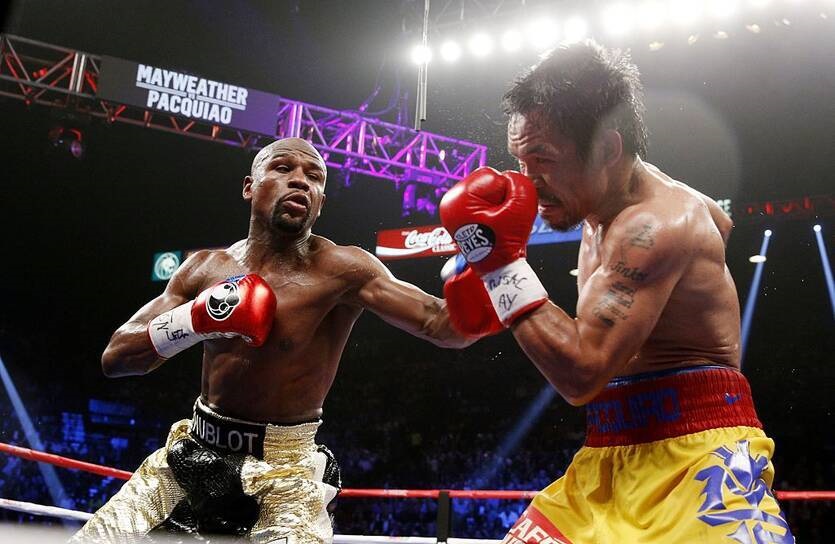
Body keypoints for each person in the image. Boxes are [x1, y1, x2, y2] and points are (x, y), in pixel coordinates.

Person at [439, 41, 794, 543]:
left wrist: (498, 266)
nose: (527, 181)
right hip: (608, 452)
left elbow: (581, 374)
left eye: (542, 159)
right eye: (519, 160)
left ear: (607, 149)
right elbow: (720, 220)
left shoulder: (654, 224)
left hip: (699, 461)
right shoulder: (615, 206)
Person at [71, 137, 472, 544]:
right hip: (190, 454)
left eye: (314, 176)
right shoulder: (204, 268)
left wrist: (493, 268)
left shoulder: (345, 269)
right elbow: (116, 357)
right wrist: (194, 319)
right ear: (249, 187)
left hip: (285, 473)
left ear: (320, 203)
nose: (300, 181)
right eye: (283, 168)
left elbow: (443, 325)